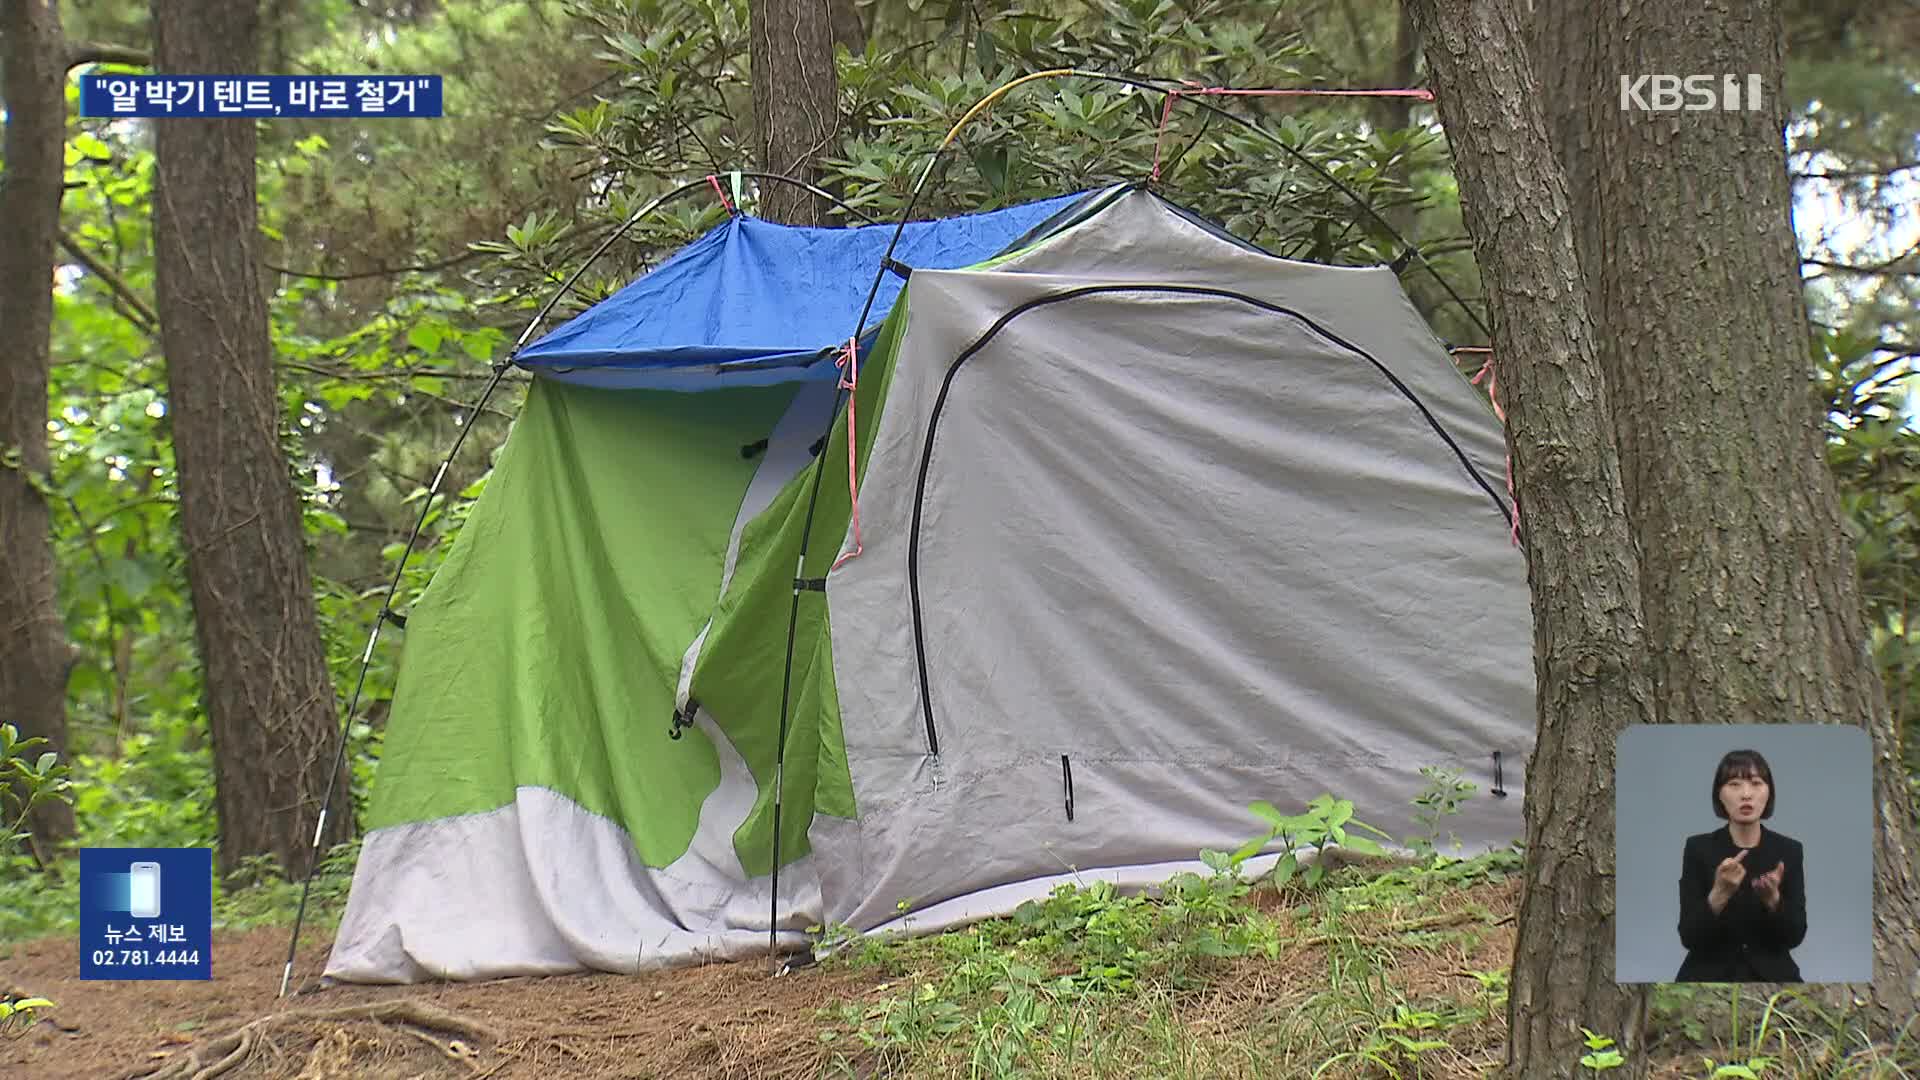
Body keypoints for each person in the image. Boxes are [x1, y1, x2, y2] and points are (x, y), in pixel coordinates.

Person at [1675, 749, 1806, 982]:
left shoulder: (1789, 850)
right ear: (1719, 795)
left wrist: (1774, 900)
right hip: (1708, 976)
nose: (1746, 794)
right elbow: (1688, 936)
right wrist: (1719, 893)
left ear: (1769, 793)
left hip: (1772, 978)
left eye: (1756, 783)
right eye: (1734, 784)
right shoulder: (1698, 848)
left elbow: (1795, 936)